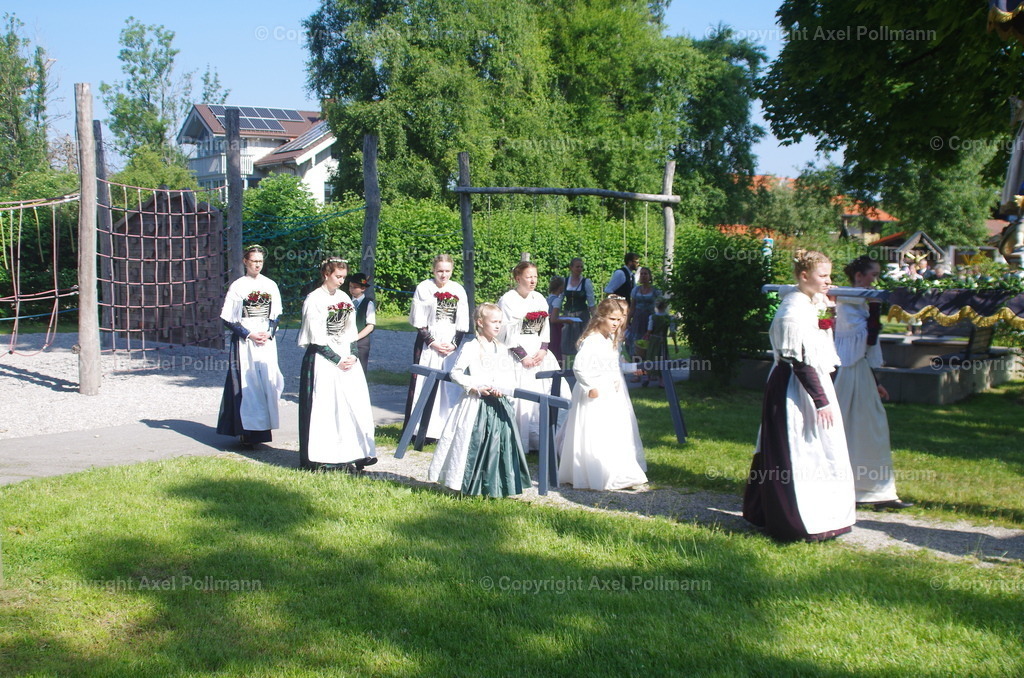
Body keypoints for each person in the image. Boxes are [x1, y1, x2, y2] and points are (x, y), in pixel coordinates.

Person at [742, 249, 855, 542]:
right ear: (804, 277)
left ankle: (810, 511)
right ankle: (794, 519)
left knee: (819, 446)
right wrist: (821, 401)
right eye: (823, 276)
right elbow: (800, 362)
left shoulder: (807, 301)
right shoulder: (792, 312)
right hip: (794, 387)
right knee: (797, 447)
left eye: (830, 275)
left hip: (808, 381)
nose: (829, 281)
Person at [427, 303, 532, 497]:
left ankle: (496, 485)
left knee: (499, 443)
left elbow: (508, 375)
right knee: (472, 441)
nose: (498, 326)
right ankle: (466, 483)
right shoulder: (471, 346)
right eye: (494, 322)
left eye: (500, 322)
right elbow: (456, 373)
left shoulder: (501, 348)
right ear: (480, 322)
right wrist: (475, 386)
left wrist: (503, 390)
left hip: (498, 403)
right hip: (475, 403)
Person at [834, 256, 913, 510]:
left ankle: (879, 491)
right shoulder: (847, 304)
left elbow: (866, 349)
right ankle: (846, 488)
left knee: (873, 429)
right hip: (848, 375)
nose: (875, 280)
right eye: (873, 275)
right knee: (848, 429)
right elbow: (866, 339)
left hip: (861, 374)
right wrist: (877, 306)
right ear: (859, 277)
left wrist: (875, 381)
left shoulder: (860, 304)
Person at [556, 297, 648, 490]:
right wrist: (590, 387)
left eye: (619, 319)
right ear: (601, 318)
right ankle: (594, 472)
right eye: (612, 319)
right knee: (597, 432)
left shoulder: (608, 340)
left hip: (612, 393)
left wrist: (633, 368)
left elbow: (615, 365)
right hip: (596, 394)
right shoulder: (593, 341)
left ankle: (616, 470)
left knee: (614, 431)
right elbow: (579, 367)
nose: (617, 323)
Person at [297, 258, 376, 472]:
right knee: (326, 405)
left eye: (343, 277)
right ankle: (323, 455)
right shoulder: (314, 299)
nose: (341, 281)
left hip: (346, 357)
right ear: (326, 275)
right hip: (324, 358)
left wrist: (351, 354)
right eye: (337, 277)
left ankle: (351, 452)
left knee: (351, 403)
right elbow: (316, 336)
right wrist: (336, 359)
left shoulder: (344, 298)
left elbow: (351, 330)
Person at [216, 245, 284, 446]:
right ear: (245, 262)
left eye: (260, 261)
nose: (257, 265)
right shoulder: (238, 286)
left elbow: (276, 314)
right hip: (246, 343)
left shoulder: (270, 285)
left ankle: (263, 430)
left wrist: (268, 332)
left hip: (265, 340)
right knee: (248, 385)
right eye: (254, 261)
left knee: (267, 383)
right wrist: (249, 334)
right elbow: (228, 318)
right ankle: (245, 431)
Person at [405, 254, 470, 440]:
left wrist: (454, 344)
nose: (443, 275)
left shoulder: (458, 289)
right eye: (440, 271)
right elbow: (419, 320)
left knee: (450, 384)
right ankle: (420, 429)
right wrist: (432, 342)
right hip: (429, 344)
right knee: (425, 382)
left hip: (450, 344)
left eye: (447, 271)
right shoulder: (424, 288)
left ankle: (447, 428)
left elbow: (462, 321)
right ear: (433, 270)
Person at [498, 260, 561, 451]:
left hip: (538, 352)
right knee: (521, 397)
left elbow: (545, 327)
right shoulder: (508, 300)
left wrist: (543, 349)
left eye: (535, 276)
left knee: (549, 391)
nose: (533, 281)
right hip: (517, 353)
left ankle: (546, 439)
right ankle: (521, 439)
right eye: (528, 277)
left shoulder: (540, 298)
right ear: (518, 278)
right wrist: (523, 356)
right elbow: (505, 332)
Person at [552, 257, 596, 368]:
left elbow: (591, 303)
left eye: (581, 267)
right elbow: (559, 299)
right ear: (571, 267)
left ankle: (582, 367)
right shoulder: (565, 281)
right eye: (577, 266)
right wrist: (555, 313)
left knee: (582, 342)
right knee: (564, 342)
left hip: (582, 316)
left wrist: (596, 319)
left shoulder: (586, 282)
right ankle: (562, 368)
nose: (579, 269)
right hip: (568, 314)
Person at [626, 266, 662, 371]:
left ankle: (650, 371)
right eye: (641, 274)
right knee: (635, 345)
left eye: (645, 274)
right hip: (637, 320)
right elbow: (632, 308)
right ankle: (637, 371)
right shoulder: (635, 290)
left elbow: (660, 308)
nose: (643, 276)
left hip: (650, 321)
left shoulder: (656, 291)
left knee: (650, 344)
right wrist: (627, 322)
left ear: (650, 276)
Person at [347, 272, 376, 372]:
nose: (351, 290)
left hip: (361, 342)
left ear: (363, 288)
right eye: (350, 286)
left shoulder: (368, 304)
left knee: (360, 368)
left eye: (355, 287)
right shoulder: (346, 302)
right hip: (346, 339)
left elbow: (370, 325)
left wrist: (356, 337)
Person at [645, 298, 672, 388]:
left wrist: (646, 336)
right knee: (662, 358)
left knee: (651, 357)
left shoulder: (652, 317)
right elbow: (672, 332)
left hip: (653, 340)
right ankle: (661, 380)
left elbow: (649, 330)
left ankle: (648, 378)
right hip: (662, 340)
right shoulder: (668, 318)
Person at [545, 275, 565, 367]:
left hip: (546, 326)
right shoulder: (557, 300)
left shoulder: (547, 299)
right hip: (553, 328)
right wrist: (567, 320)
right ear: (561, 287)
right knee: (555, 348)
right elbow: (554, 319)